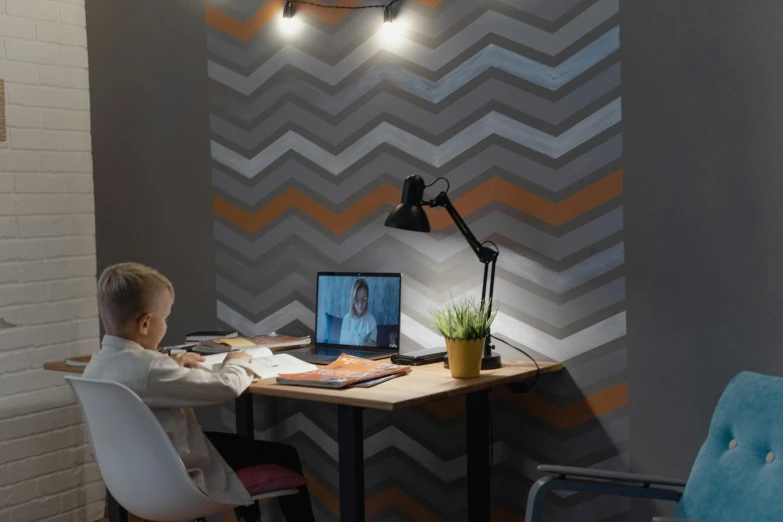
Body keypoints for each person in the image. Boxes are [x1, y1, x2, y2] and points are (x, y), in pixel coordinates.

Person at [83, 262, 315, 522]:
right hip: (178, 476)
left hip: (135, 477)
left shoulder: (96, 364)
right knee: (284, 454)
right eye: (166, 318)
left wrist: (172, 365)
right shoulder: (151, 369)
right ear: (146, 323)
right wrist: (236, 360)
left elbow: (144, 377)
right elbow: (227, 387)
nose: (167, 325)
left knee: (234, 445)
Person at [339, 278, 378, 347]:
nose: (360, 305)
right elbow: (342, 346)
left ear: (367, 299)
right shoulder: (346, 319)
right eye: (357, 300)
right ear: (352, 300)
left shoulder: (371, 320)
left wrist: (369, 343)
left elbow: (374, 346)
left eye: (364, 299)